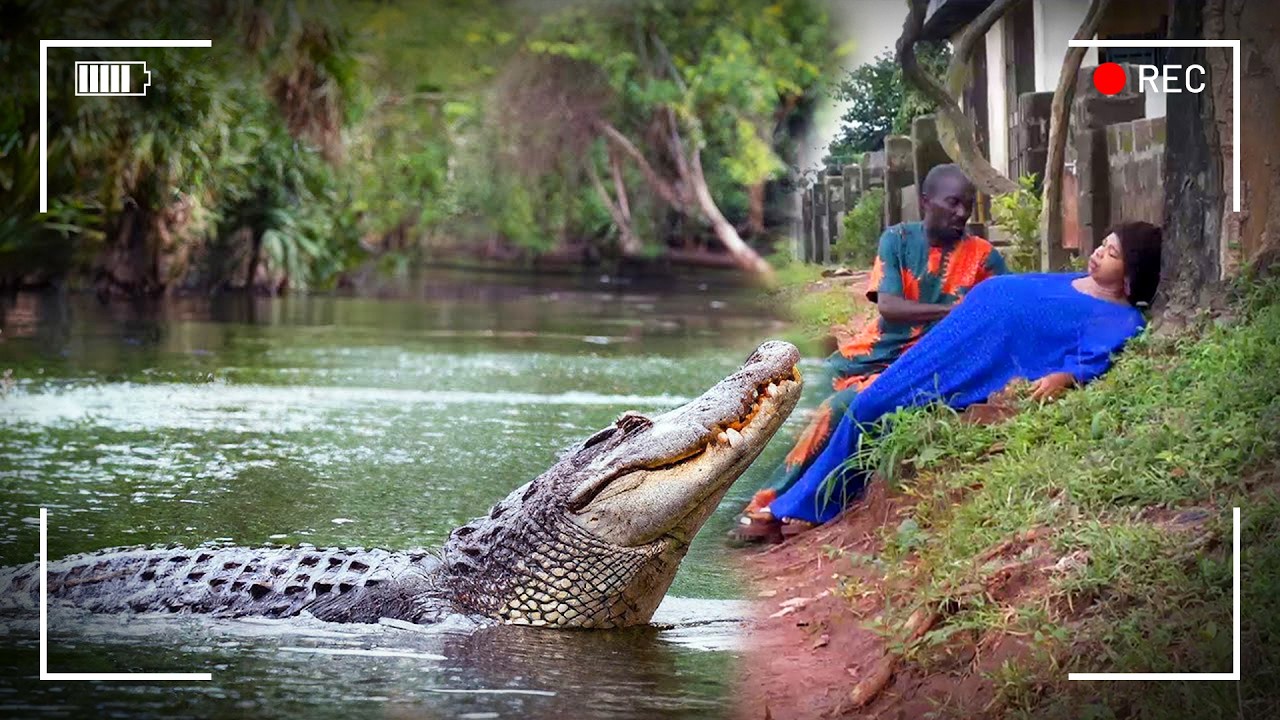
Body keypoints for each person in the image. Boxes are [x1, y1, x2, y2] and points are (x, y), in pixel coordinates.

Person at [754, 221, 1163, 532]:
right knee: (870, 399)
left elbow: (1092, 359)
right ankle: (790, 497)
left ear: (1131, 273)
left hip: (983, 360)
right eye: (1101, 244)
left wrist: (1066, 377)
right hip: (955, 337)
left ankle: (797, 507)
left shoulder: (1120, 318)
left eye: (1111, 253)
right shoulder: (1070, 279)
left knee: (871, 406)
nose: (1097, 254)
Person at [733, 164, 1007, 541]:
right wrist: (954, 310)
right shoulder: (896, 239)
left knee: (838, 408)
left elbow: (1002, 311)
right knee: (793, 394)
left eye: (969, 205)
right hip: (865, 353)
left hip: (917, 366)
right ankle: (742, 497)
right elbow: (891, 307)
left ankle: (768, 507)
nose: (962, 213)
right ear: (927, 202)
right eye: (953, 203)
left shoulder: (984, 258)